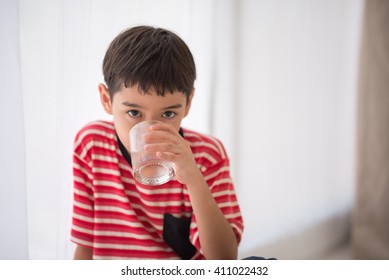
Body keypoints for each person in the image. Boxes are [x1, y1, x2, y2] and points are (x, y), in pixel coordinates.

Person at [71, 25, 244, 260]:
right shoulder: (91, 145)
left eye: (168, 115)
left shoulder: (206, 155)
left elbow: (224, 260)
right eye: (134, 113)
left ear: (189, 102)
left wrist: (193, 177)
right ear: (106, 100)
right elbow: (85, 245)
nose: (150, 132)